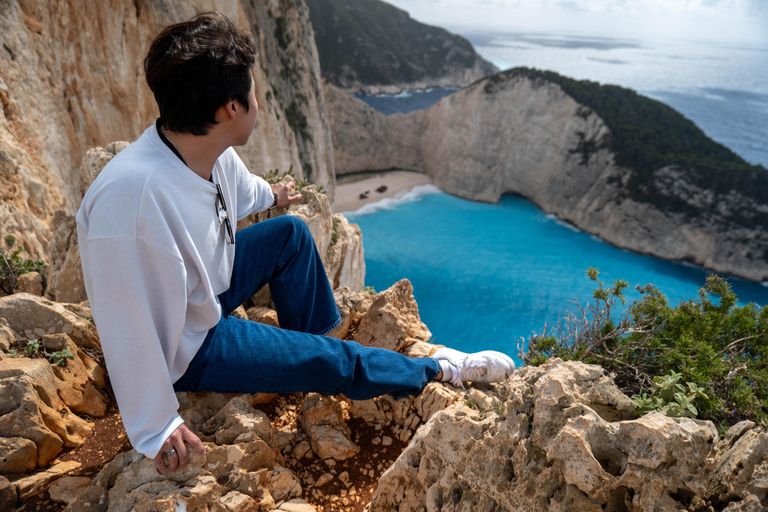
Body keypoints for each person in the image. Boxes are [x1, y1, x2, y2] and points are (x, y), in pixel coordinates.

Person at [76, 12, 515, 476]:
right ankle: (437, 369)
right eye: (254, 92)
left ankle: (309, 355)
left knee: (291, 234)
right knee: (337, 361)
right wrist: (156, 425)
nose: (258, 102)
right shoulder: (128, 199)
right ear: (231, 108)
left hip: (198, 293)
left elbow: (241, 192)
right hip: (186, 344)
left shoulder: (200, 149)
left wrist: (275, 196)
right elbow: (124, 320)